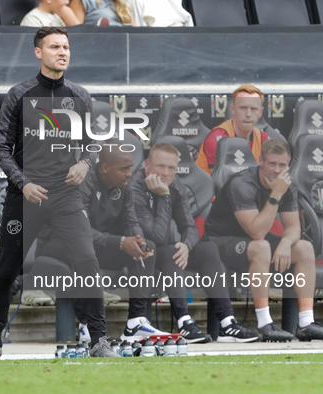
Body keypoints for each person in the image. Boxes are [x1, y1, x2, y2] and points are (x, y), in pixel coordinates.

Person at [0, 26, 115, 360]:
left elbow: (92, 144)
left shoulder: (80, 95)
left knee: (87, 261)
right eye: (54, 46)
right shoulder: (19, 94)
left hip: (67, 195)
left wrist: (85, 163)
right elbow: (1, 150)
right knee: (7, 268)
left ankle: (99, 341)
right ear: (38, 52)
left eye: (66, 46)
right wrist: (23, 183)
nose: (63, 52)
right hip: (25, 196)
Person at [130, 143, 261, 343]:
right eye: (160, 166)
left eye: (171, 168)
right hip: (141, 255)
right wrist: (164, 196)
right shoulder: (134, 186)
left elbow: (189, 227)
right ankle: (184, 322)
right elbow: (154, 237)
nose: (166, 173)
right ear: (146, 165)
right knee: (169, 251)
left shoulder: (176, 184)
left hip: (167, 251)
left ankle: (227, 323)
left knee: (208, 249)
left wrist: (186, 245)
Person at [37, 145, 166, 342]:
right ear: (104, 168)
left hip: (97, 245)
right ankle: (86, 324)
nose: (130, 174)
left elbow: (130, 221)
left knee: (147, 248)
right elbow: (79, 231)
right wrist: (121, 242)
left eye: (131, 167)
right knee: (81, 252)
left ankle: (136, 322)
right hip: (58, 243)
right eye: (124, 168)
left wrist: (136, 239)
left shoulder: (124, 186)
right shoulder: (82, 183)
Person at [204, 139, 323, 342]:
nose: (277, 171)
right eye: (272, 164)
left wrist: (286, 243)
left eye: (282, 165)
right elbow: (256, 232)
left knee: (304, 248)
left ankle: (306, 322)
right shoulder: (242, 183)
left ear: (289, 165)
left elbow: (294, 227)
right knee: (261, 246)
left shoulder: (288, 183)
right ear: (261, 161)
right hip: (219, 241)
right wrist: (276, 194)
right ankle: (264, 323)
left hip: (257, 243)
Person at [196, 85, 270, 175]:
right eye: (243, 108)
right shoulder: (217, 138)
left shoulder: (263, 139)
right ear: (233, 109)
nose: (248, 114)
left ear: (260, 112)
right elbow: (220, 183)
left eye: (254, 109)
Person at [69, 0, 133, 26]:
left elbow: (135, 32)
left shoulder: (121, 5)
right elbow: (75, 34)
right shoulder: (81, 1)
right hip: (97, 46)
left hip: (123, 46)